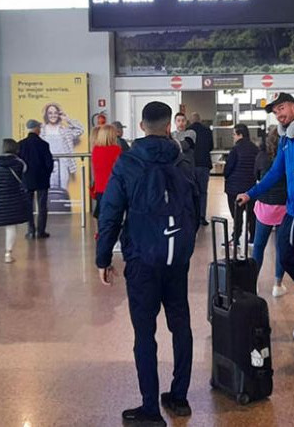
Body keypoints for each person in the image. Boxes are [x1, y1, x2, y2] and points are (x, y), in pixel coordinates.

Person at [97, 102, 199, 426]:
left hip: (142, 256)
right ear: (169, 126)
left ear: (141, 126)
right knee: (180, 323)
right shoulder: (183, 160)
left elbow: (110, 211)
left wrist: (103, 258)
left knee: (145, 332)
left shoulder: (127, 162)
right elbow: (195, 211)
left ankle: (150, 409)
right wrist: (183, 247)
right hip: (175, 257)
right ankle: (179, 397)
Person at [237, 92, 294, 341]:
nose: (279, 114)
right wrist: (251, 193)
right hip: (293, 212)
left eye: (281, 109)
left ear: (293, 106)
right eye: (275, 112)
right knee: (287, 260)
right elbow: (276, 172)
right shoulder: (287, 141)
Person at [0, 139, 29, 265]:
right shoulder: (20, 163)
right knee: (11, 226)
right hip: (14, 198)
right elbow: (24, 172)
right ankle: (8, 254)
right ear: (16, 149)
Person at [253, 129, 288, 297]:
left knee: (258, 246)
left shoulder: (261, 157)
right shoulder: (288, 157)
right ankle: (277, 284)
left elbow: (256, 177)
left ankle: (252, 283)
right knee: (281, 247)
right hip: (284, 206)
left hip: (264, 205)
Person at [17, 119, 54, 239]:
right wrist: (47, 174)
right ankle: (41, 231)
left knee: (28, 205)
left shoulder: (20, 144)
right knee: (42, 206)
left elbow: (18, 163)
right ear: (37, 129)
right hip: (42, 179)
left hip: (27, 178)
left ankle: (31, 230)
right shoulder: (44, 144)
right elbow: (49, 163)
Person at [224, 124, 258, 248]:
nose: (233, 137)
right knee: (252, 215)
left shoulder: (235, 149)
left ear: (240, 135)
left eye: (234, 134)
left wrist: (227, 177)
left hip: (234, 188)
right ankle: (253, 238)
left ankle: (236, 238)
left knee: (236, 214)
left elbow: (228, 169)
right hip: (251, 188)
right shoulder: (255, 149)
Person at [42, 102, 84, 191]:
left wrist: (67, 119)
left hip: (63, 164)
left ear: (59, 114)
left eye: (55, 113)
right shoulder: (42, 130)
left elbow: (80, 130)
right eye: (50, 113)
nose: (53, 115)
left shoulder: (65, 130)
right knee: (47, 190)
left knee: (62, 190)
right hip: (46, 163)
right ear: (46, 115)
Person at [90, 124, 122, 221]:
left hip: (99, 188)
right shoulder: (117, 150)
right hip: (113, 187)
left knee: (101, 213)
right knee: (113, 216)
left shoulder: (95, 150)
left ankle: (100, 233)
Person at [187, 113, 213, 226]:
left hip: (190, 166)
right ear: (200, 120)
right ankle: (202, 216)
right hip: (204, 165)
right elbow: (211, 147)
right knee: (203, 192)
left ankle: (193, 216)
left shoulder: (187, 132)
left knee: (191, 192)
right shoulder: (207, 131)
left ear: (191, 121)